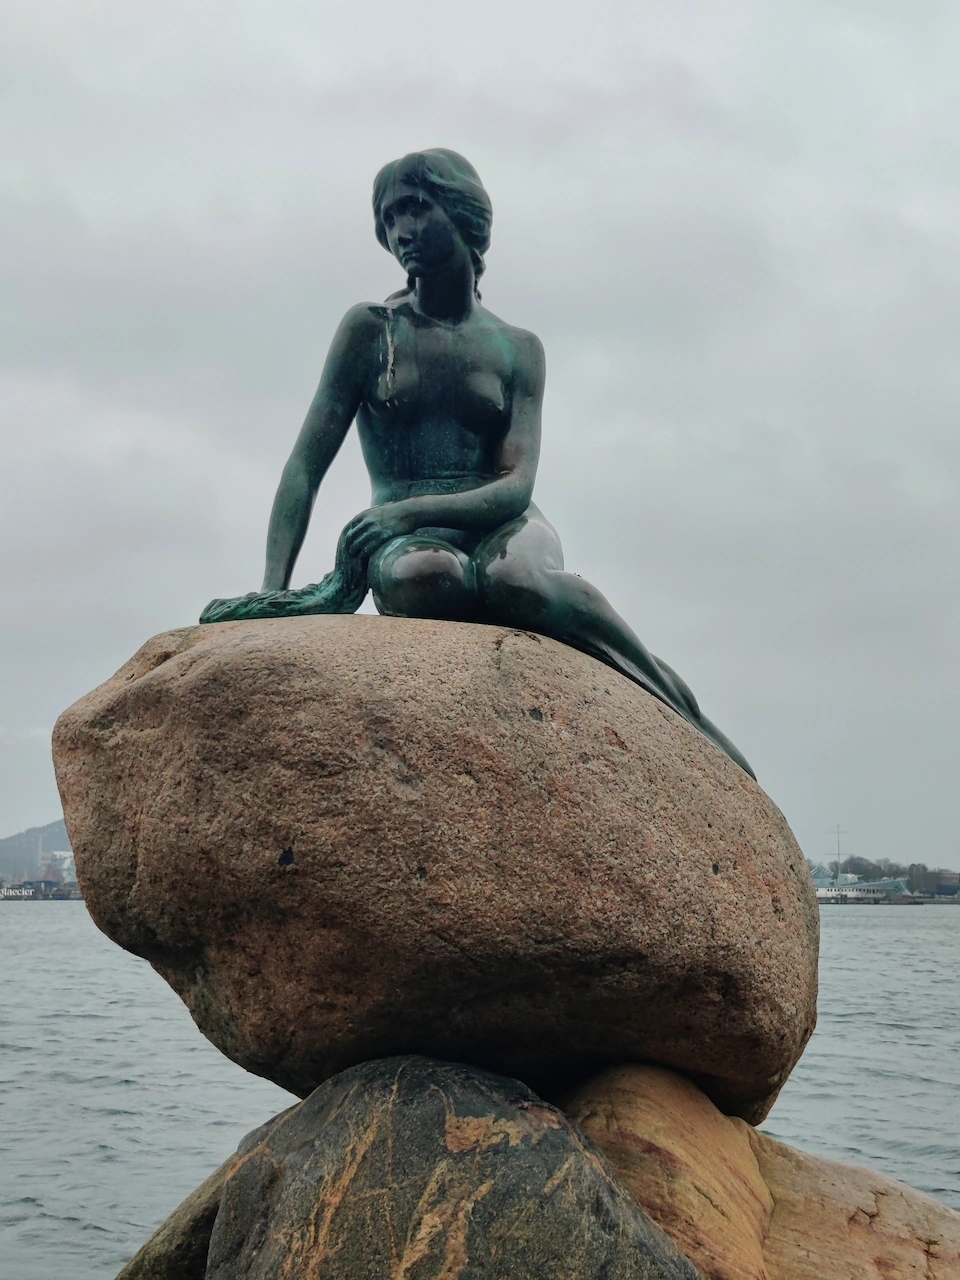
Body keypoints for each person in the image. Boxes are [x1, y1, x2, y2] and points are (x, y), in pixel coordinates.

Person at [201, 148, 754, 777]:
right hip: (409, 533)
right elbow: (304, 465)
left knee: (513, 582)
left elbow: (516, 485)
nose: (400, 231)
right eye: (388, 219)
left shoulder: (518, 348)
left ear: (462, 212)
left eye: (415, 208)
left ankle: (676, 705)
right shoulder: (370, 330)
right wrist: (274, 594)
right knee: (424, 578)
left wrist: (409, 509)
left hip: (505, 519)